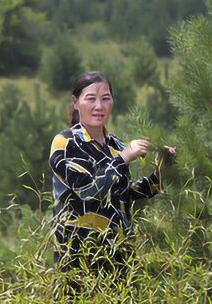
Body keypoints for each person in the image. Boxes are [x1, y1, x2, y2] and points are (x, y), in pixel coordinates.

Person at [48, 71, 175, 275]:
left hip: (120, 258)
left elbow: (125, 196)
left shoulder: (116, 145)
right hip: (77, 259)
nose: (99, 106)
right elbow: (87, 189)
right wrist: (124, 158)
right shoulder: (65, 143)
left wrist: (161, 171)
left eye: (105, 98)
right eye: (91, 99)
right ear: (75, 102)